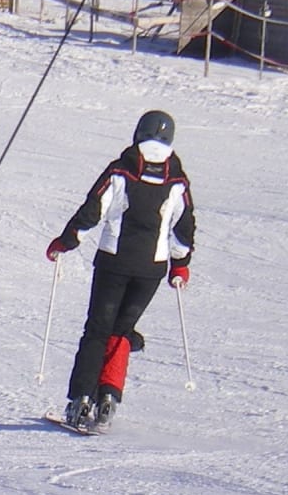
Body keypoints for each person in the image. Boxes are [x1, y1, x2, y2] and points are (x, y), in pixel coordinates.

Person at [44, 111, 195, 431]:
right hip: (151, 269)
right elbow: (184, 226)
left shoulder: (121, 170)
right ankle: (108, 399)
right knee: (122, 331)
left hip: (114, 262)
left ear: (138, 133)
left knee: (98, 330)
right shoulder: (177, 180)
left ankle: (81, 402)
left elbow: (93, 210)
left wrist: (66, 242)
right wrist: (180, 265)